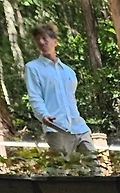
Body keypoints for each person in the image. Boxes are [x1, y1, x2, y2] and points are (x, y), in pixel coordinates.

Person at [24, 23, 101, 171]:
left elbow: (71, 99)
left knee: (95, 168)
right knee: (59, 172)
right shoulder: (33, 68)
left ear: (55, 41)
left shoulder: (68, 71)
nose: (41, 42)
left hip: (79, 127)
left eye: (44, 38)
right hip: (56, 128)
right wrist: (43, 115)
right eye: (38, 39)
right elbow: (35, 96)